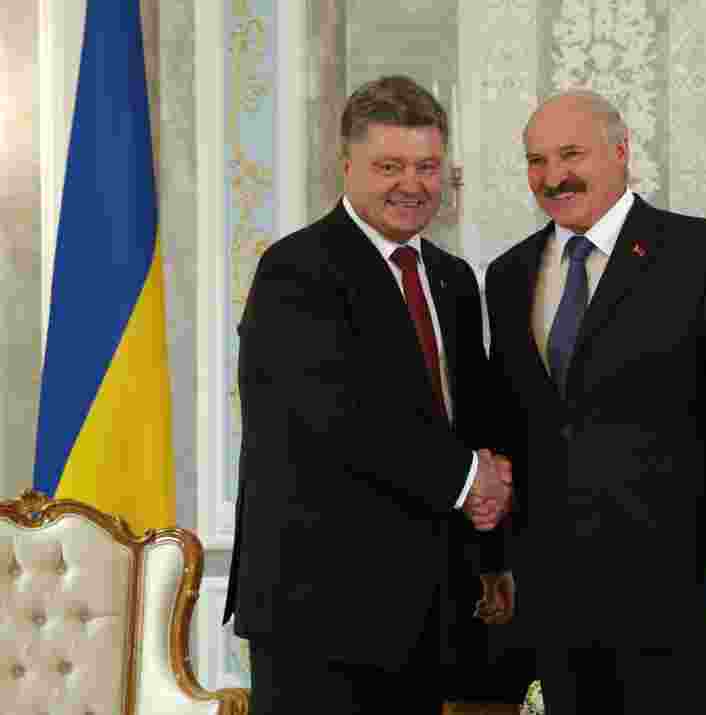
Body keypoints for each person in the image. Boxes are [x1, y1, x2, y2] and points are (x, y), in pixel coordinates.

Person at [483, 90, 706, 714]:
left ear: (621, 153)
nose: (552, 176)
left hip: (682, 591)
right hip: (557, 596)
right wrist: (495, 561)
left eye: (571, 154)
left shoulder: (704, 255)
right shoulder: (509, 273)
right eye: (536, 161)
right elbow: (508, 426)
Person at [222, 75, 514, 714]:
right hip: (318, 613)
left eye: (427, 167)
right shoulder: (296, 271)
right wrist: (472, 479)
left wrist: (491, 530)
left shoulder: (452, 279)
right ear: (346, 165)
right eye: (390, 166)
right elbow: (340, 418)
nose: (411, 185)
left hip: (426, 610)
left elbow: (466, 419)